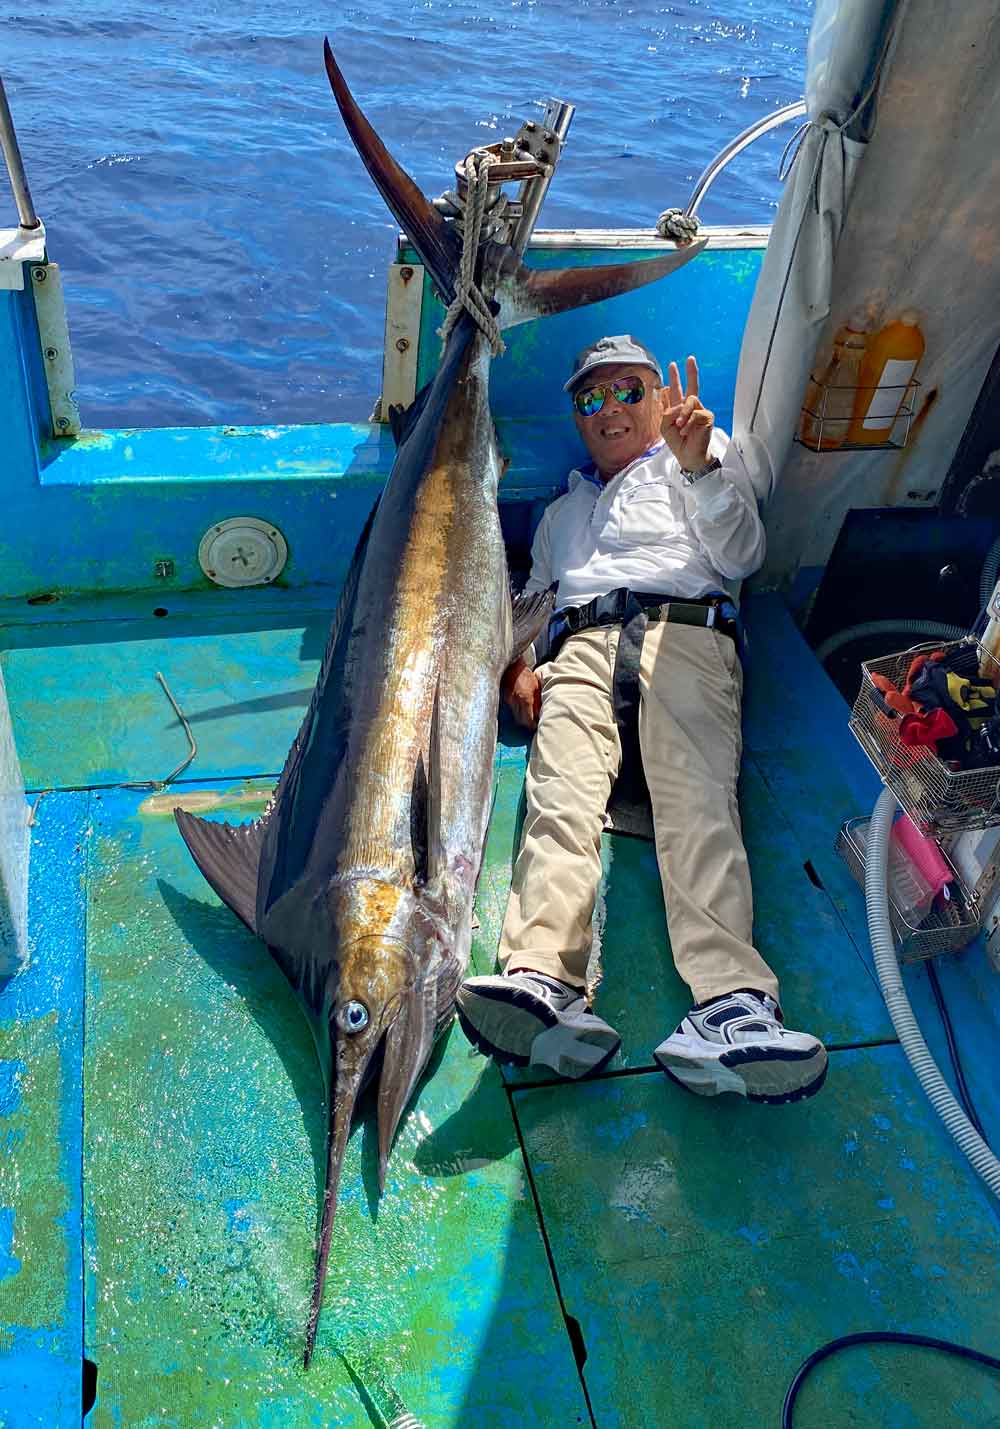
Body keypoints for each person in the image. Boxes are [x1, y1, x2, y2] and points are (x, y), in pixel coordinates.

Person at [456, 334, 827, 1105]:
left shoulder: (703, 456)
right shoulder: (562, 513)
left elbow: (744, 553)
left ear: (660, 400)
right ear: (578, 419)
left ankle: (732, 1004)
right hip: (580, 648)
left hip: (686, 637)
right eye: (590, 399)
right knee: (559, 800)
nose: (610, 409)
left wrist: (697, 467)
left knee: (699, 808)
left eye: (629, 390)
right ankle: (543, 978)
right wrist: (519, 668)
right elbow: (532, 598)